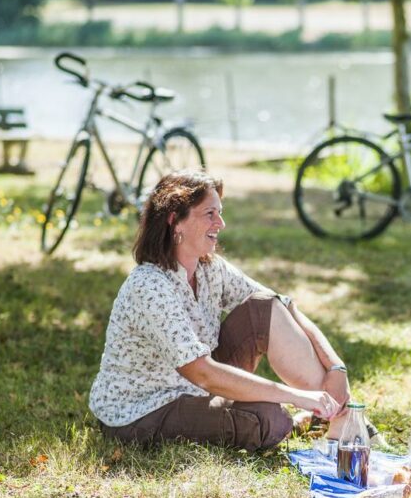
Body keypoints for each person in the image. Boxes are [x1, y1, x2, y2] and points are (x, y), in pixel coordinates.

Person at [89, 170, 349, 450]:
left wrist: (336, 367)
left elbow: (281, 305)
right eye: (210, 214)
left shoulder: (209, 268)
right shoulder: (149, 286)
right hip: (142, 412)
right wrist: (294, 396)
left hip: (195, 389)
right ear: (175, 220)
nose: (221, 223)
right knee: (268, 418)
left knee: (264, 307)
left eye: (220, 213)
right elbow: (202, 373)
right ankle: (307, 418)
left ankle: (342, 417)